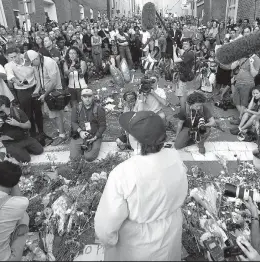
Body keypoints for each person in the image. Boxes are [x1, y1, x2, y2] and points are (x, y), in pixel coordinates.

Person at [95, 111, 188, 260]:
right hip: (171, 231)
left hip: (139, 244)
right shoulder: (175, 157)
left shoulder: (123, 173)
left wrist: (110, 243)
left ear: (135, 140)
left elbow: (106, 226)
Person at [27, 50, 67, 144]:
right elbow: (41, 80)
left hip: (54, 91)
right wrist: (36, 91)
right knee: (49, 114)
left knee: (56, 114)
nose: (32, 65)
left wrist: (44, 95)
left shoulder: (48, 63)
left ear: (36, 58)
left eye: (32, 63)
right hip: (46, 91)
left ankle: (62, 135)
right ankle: (59, 130)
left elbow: (53, 82)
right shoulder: (38, 63)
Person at [0, 95, 43, 163]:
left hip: (23, 138)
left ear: (2, 105)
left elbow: (29, 125)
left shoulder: (17, 111)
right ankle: (13, 151)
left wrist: (17, 124)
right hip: (10, 143)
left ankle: (20, 150)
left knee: (39, 150)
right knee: (26, 159)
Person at [4, 47, 44, 138]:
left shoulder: (29, 61)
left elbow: (37, 78)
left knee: (38, 112)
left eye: (15, 56)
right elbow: (10, 75)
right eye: (11, 57)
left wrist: (37, 89)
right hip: (21, 91)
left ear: (19, 54)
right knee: (27, 113)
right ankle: (33, 134)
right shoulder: (9, 65)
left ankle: (41, 132)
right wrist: (16, 81)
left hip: (34, 88)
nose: (14, 59)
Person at [70, 89, 106, 162]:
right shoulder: (76, 107)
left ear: (92, 97)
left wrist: (95, 137)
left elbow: (103, 126)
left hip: (94, 135)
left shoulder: (99, 109)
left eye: (89, 96)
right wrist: (80, 132)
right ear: (81, 97)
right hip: (80, 135)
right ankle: (82, 147)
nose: (87, 99)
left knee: (89, 158)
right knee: (74, 158)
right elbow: (73, 122)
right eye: (85, 97)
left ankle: (90, 145)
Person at [172, 38, 196, 110]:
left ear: (190, 45)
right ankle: (183, 108)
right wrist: (177, 49)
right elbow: (181, 53)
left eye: (186, 44)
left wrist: (174, 49)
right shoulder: (187, 52)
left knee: (181, 95)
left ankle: (183, 113)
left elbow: (176, 60)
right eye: (183, 44)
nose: (184, 45)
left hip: (184, 76)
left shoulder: (190, 53)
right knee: (180, 94)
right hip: (182, 74)